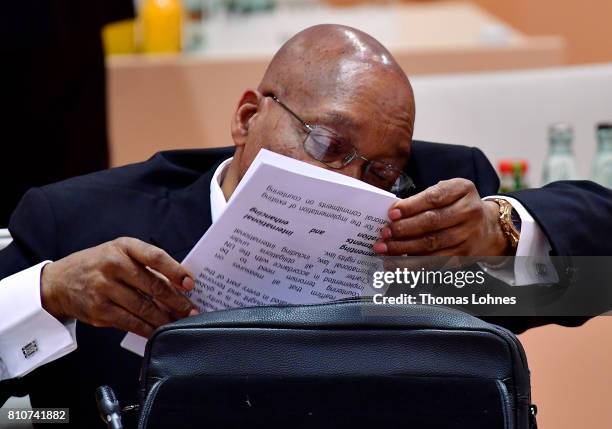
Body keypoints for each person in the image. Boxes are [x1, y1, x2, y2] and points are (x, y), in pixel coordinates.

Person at [0, 24, 611, 426]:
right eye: (325, 143)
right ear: (246, 118)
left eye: (380, 170)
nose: (350, 181)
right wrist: (50, 291)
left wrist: (501, 230)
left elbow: (598, 277)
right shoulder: (85, 221)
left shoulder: (423, 218)